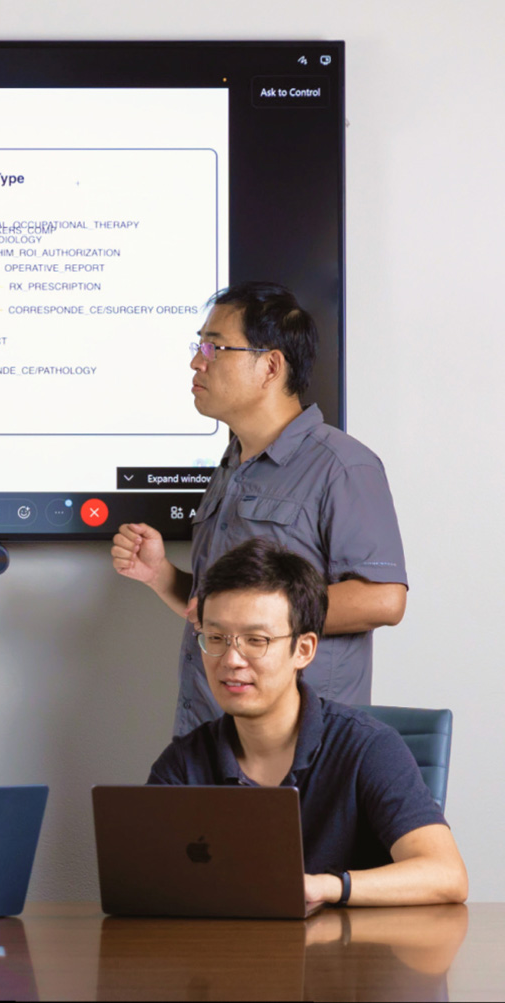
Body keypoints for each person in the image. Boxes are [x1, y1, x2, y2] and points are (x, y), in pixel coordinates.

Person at [112, 282, 408, 735]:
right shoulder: (232, 465)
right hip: (208, 735)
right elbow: (218, 605)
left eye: (213, 348)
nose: (196, 362)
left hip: (298, 750)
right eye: (198, 347)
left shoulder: (343, 466)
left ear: (270, 366)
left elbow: (383, 599)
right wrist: (161, 576)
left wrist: (256, 617)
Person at [148, 539, 466, 909]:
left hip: (350, 945)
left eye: (256, 640)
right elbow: (145, 879)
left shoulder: (369, 747)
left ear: (303, 650)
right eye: (216, 638)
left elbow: (447, 875)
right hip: (226, 945)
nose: (231, 659)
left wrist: (326, 887)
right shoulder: (184, 762)